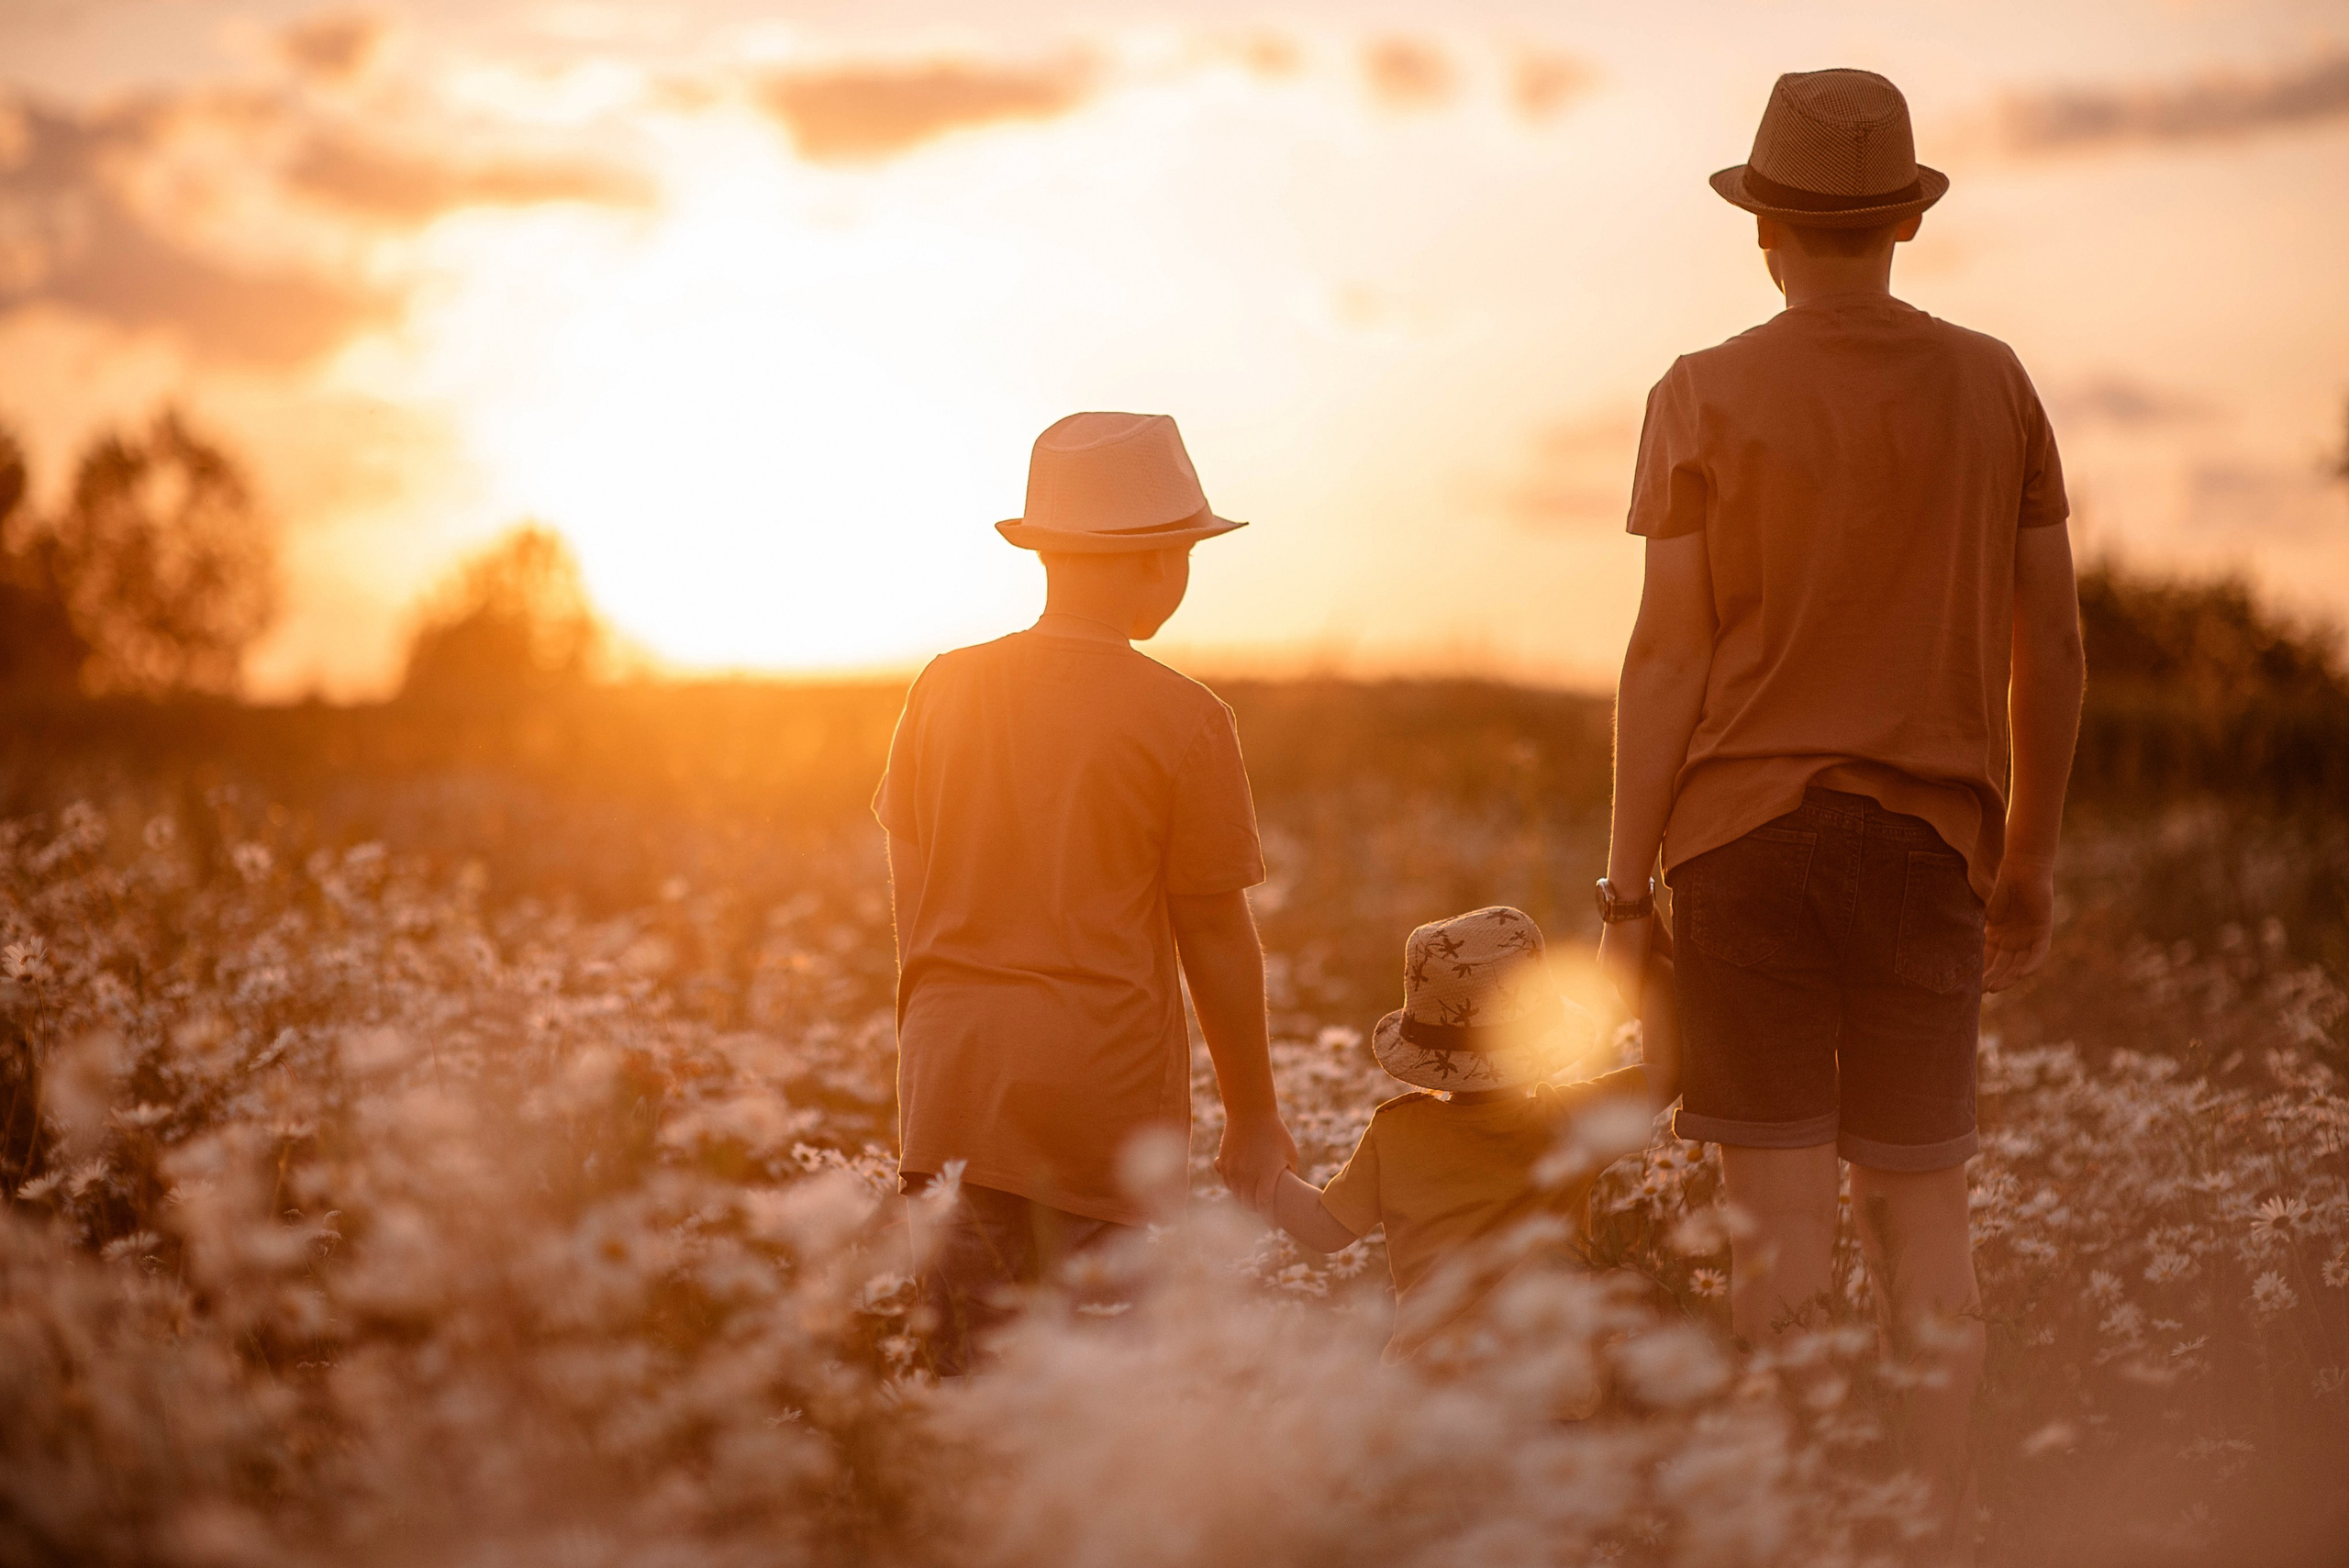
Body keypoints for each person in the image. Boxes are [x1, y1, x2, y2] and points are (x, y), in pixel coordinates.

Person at [1595, 69, 2085, 1561]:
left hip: (1742, 848)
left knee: (1777, 1223)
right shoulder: (1995, 384)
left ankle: (1788, 1523)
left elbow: (1668, 652)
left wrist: (1626, 887)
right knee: (1923, 1223)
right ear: (1901, 227)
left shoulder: (1699, 390)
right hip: (1935, 847)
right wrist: (2028, 862)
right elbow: (2049, 645)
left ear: (1765, 231)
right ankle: (1939, 1523)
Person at [874, 410, 1298, 1374]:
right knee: (1089, 1405)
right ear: (1158, 561)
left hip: (949, 1087)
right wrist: (1253, 1113)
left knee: (962, 1377)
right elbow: (1214, 934)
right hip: (1097, 1101)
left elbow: (913, 889)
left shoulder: (941, 686)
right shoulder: (1187, 719)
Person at [1266, 906, 1680, 1366]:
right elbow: (1669, 1070)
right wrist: (1654, 966)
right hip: (1545, 1386)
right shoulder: (1572, 1118)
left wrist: (1264, 1174)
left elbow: (1323, 1229)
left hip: (1428, 1387)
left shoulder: (1396, 1131)